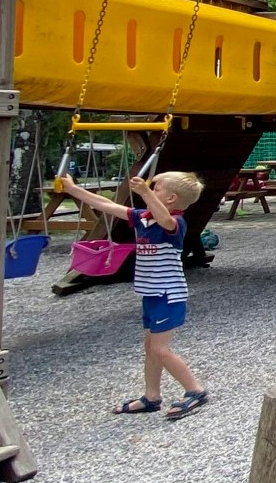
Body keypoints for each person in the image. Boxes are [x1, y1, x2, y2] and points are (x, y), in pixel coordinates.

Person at [57, 170, 210, 419]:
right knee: (150, 347)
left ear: (170, 199)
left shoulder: (174, 222)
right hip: (151, 294)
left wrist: (146, 192)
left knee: (161, 350)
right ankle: (152, 397)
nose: (151, 189)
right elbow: (106, 205)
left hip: (168, 295)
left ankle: (195, 390)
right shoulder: (143, 218)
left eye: (156, 187)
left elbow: (165, 220)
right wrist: (73, 189)